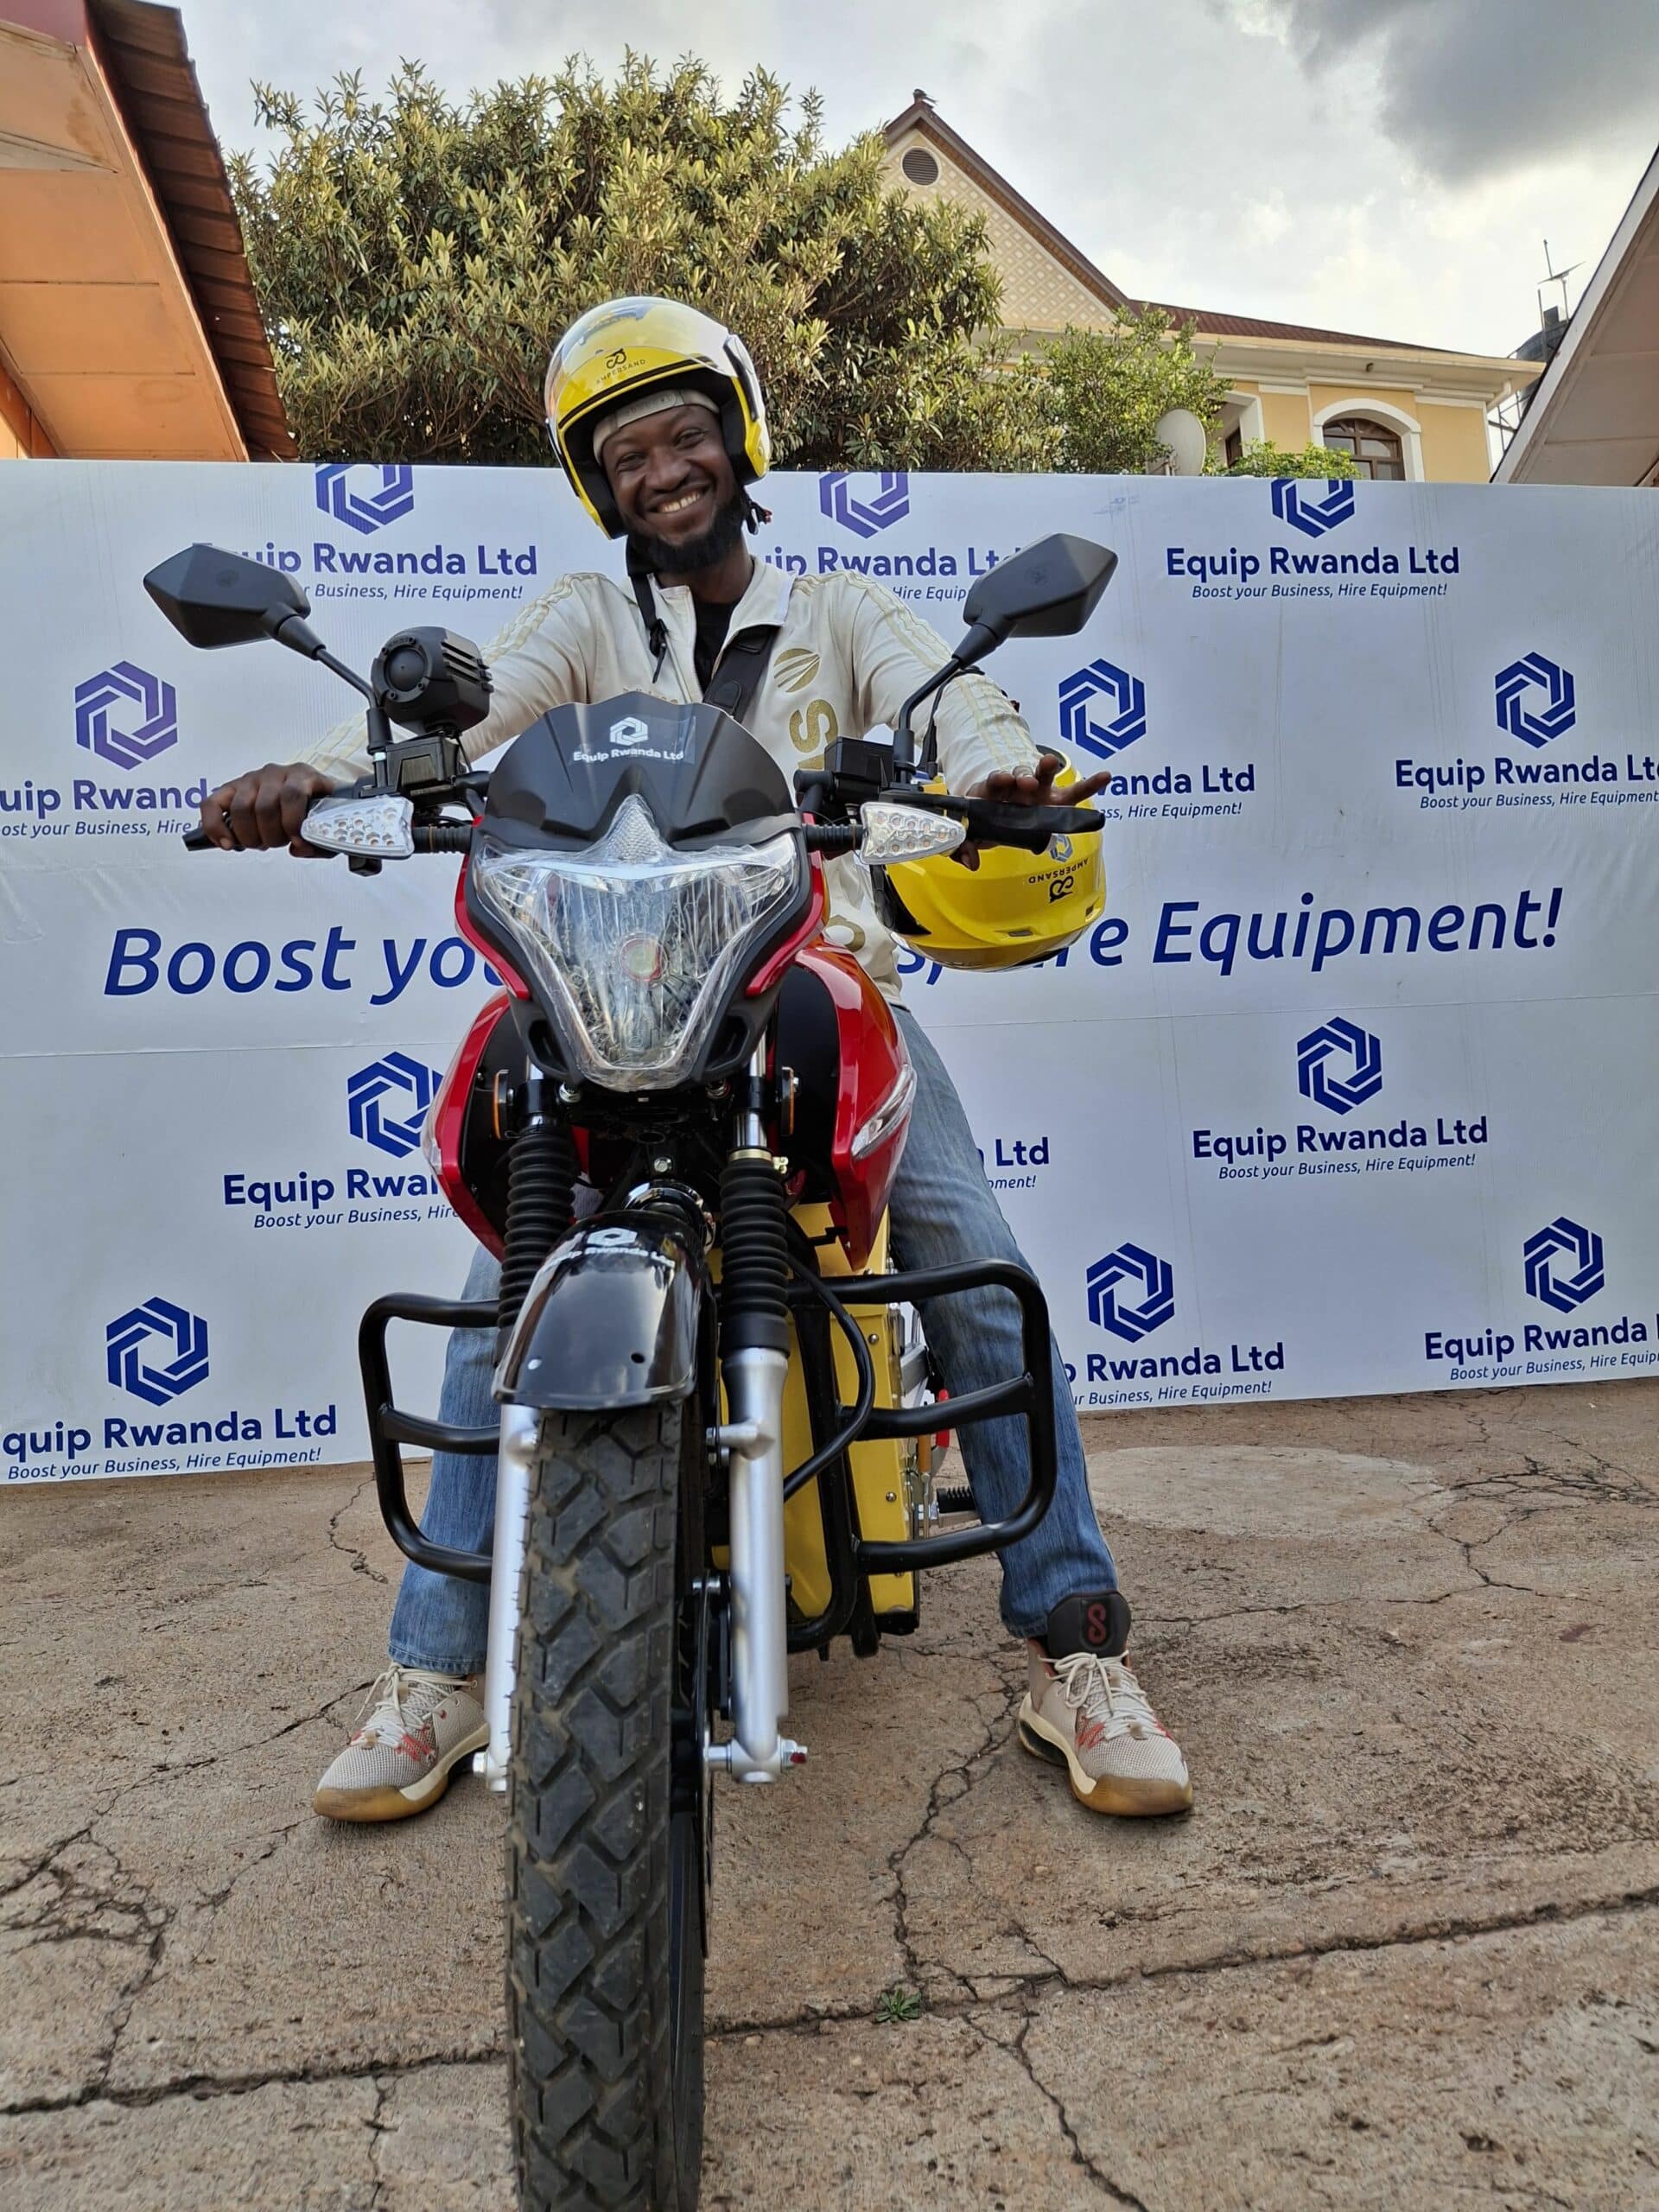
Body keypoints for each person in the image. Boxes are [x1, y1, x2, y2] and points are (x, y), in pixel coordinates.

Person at [202, 296, 1192, 1827]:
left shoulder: (841, 607)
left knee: (974, 1263)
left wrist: (1000, 762)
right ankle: (436, 1671)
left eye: (683, 436)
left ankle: (1077, 1647)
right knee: (497, 1286)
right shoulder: (582, 622)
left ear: (738, 441)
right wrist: (308, 777)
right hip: (613, 992)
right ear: (600, 488)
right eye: (627, 455)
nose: (663, 470)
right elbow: (456, 729)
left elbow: (951, 697)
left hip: (817, 980)